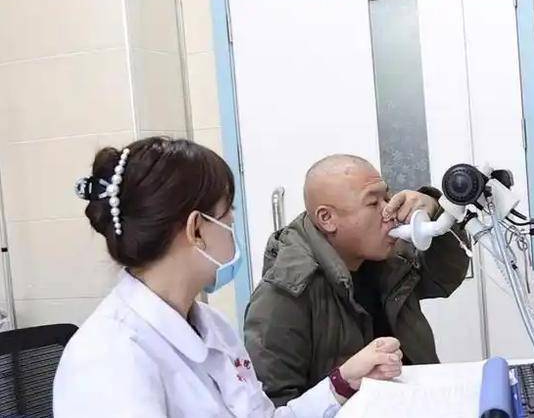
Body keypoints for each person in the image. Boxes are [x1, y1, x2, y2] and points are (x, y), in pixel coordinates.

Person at [53, 138, 403, 417]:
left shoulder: (212, 327)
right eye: (227, 214)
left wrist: (343, 382)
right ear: (196, 229)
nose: (233, 225)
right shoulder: (109, 357)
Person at [244, 154, 470, 406]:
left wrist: (435, 210)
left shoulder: (389, 256)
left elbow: (445, 278)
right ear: (327, 219)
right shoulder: (284, 295)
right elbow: (273, 404)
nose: (389, 212)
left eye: (387, 197)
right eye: (373, 203)